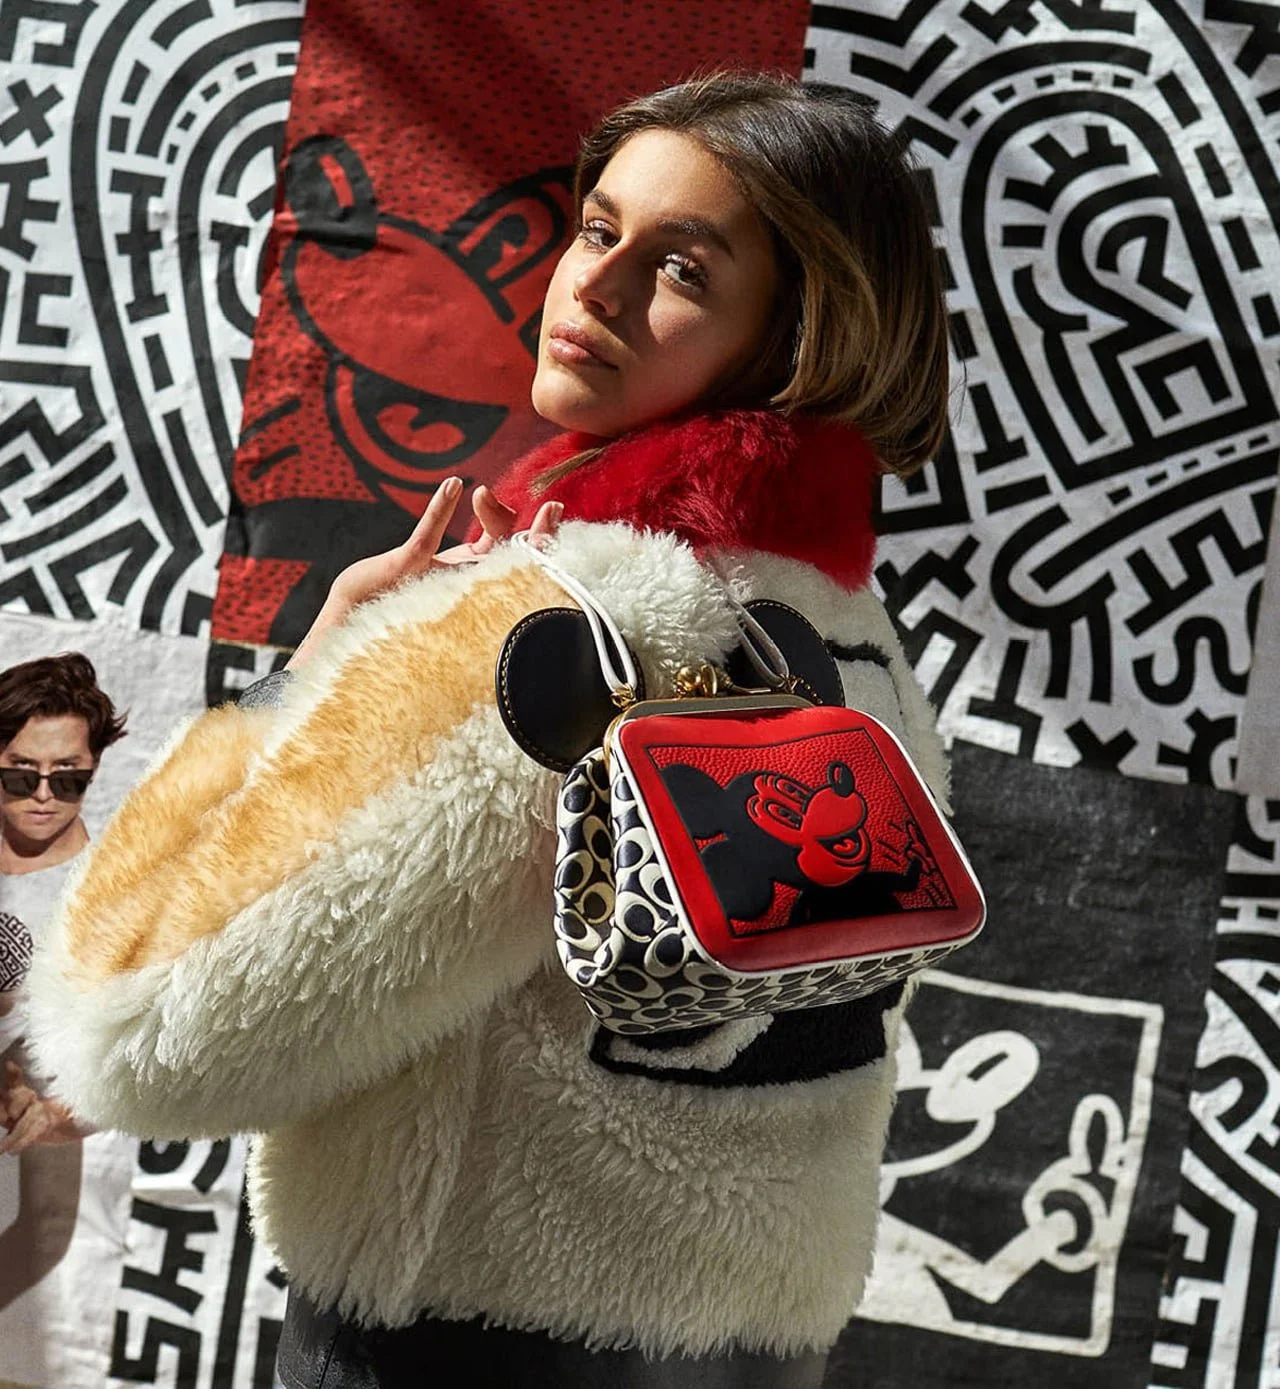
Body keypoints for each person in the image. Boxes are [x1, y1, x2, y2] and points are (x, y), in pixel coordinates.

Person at [27, 73, 951, 1386]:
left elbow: (143, 1042)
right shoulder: (857, 642)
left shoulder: (551, 628)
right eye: (597, 228)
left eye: (680, 268)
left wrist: (303, 690)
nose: (595, 287)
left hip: (451, 1351)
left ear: (798, 336)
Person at [0, 652, 126, 1155]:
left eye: (67, 776)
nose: (43, 795)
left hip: (31, 1168)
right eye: (21, 774)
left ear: (93, 768)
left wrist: (53, 1116)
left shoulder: (109, 901)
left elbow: (125, 1068)